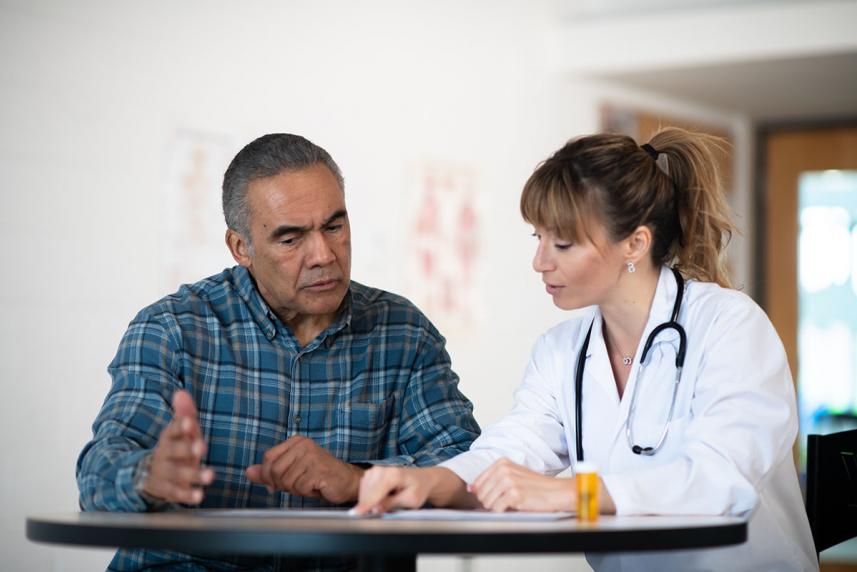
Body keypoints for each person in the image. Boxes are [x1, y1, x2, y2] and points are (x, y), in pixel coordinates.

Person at [355, 128, 818, 571]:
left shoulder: (729, 326)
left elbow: (721, 481)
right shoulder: (561, 352)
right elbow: (510, 451)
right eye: (538, 238)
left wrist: (575, 494)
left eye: (563, 243)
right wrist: (427, 482)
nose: (540, 262)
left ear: (635, 243)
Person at [76, 133, 480, 570]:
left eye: (334, 226)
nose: (323, 254)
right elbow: (98, 477)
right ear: (241, 248)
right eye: (291, 240)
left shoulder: (403, 333)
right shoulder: (173, 329)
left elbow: (469, 472)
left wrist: (358, 479)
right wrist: (148, 477)